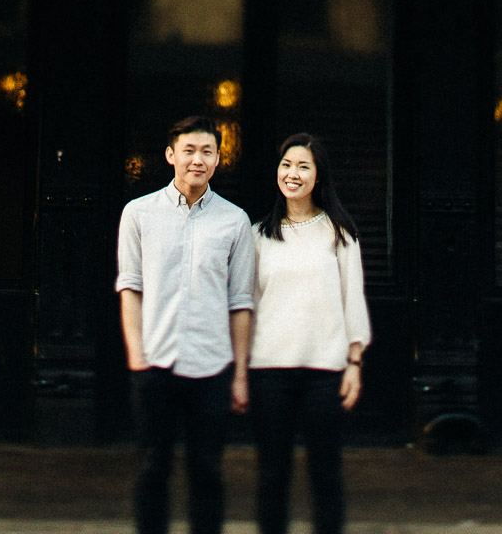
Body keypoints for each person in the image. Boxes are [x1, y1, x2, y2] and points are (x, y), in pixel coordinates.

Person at [116, 114, 257, 534]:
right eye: (190, 150)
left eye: (207, 152)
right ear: (170, 154)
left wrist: (240, 375)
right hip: (154, 362)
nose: (198, 159)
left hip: (212, 366)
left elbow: (241, 302)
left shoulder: (235, 222)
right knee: (153, 468)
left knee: (208, 472)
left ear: (218, 160)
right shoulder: (138, 214)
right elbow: (130, 286)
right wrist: (136, 354)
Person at [248, 132, 372, 534]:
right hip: (269, 369)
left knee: (326, 475)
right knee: (271, 476)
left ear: (318, 176)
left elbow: (353, 300)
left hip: (325, 369)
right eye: (286, 165)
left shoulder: (340, 234)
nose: (293, 174)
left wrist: (354, 362)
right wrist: (240, 369)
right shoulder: (258, 236)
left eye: (303, 166)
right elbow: (246, 306)